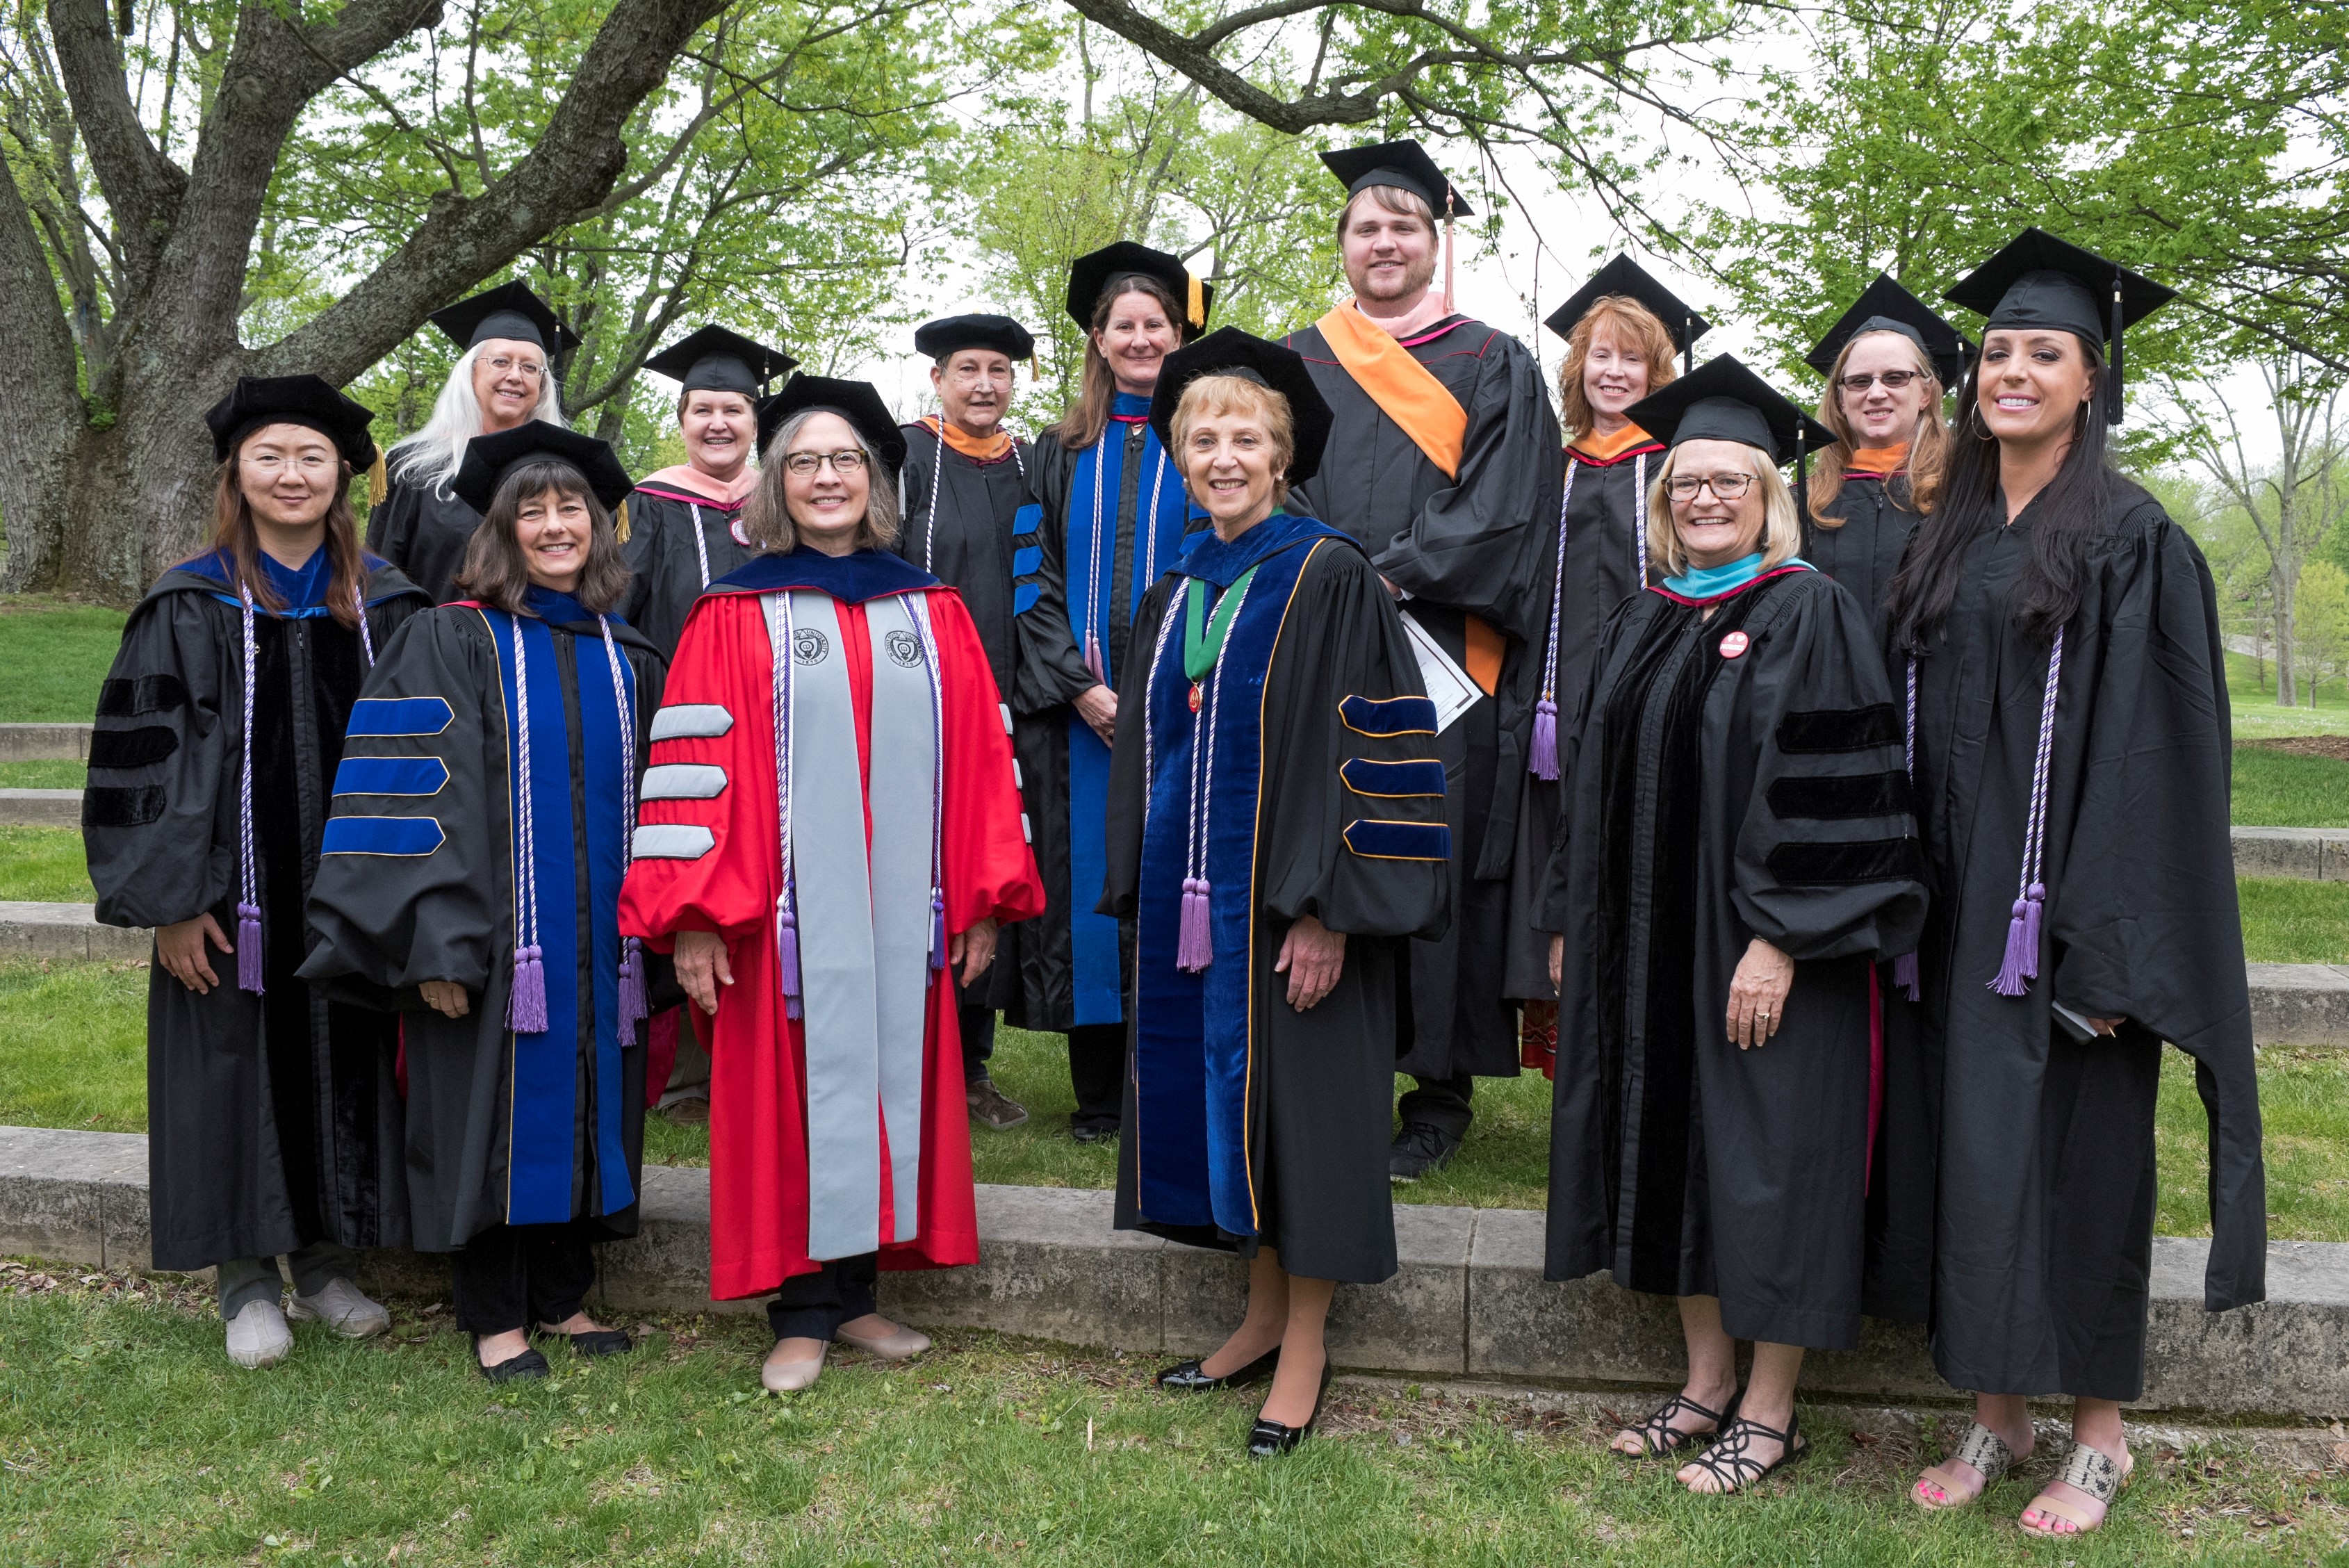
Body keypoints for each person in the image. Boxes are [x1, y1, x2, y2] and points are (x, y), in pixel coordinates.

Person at [1892, 229, 2265, 1537]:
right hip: (1954, 915)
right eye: (1995, 351)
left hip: (2058, 925)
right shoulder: (1948, 526)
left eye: (2042, 352)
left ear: (2092, 380)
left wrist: (2111, 956)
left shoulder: (2132, 536)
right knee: (1973, 1161)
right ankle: (1995, 1415)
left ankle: (2098, 1436)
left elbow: (2168, 756)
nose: (2011, 371)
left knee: (2086, 1167)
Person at [1539, 354, 1926, 1494]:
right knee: (1671, 1154)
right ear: (1661, 503)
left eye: (1730, 484)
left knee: (1766, 1161)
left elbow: (1838, 795)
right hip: (1642, 946)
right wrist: (1570, 918)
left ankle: (1771, 1406)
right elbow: (1592, 789)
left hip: (1758, 949)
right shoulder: (1640, 620)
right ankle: (1705, 1383)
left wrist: (1782, 940)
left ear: (1770, 496)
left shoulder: (1809, 611)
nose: (1706, 500)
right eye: (1687, 485)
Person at [620, 376, 1043, 1394]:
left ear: (874, 482)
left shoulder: (929, 609)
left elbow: (983, 758)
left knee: (892, 1089)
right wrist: (693, 921)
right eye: (803, 462)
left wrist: (983, 895)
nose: (825, 478)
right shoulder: (731, 613)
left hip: (908, 917)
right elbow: (693, 770)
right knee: (783, 1107)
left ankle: (855, 1296)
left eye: (845, 460)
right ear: (775, 483)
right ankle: (800, 1308)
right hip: (778, 925)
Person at [1106, 328, 1448, 1456]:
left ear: (1283, 452)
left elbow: (1371, 749)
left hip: (1298, 911)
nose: (1221, 453)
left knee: (1304, 1127)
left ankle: (1304, 1346)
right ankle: (1257, 1316)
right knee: (1235, 1116)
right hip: (1197, 912)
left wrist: (1326, 911)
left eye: (1245, 436)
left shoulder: (1330, 571)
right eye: (1201, 436)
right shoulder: (1177, 590)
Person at [301, 423, 662, 1382]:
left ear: (600, 525)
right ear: (500, 530)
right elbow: (413, 797)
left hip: (596, 950)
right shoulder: (451, 637)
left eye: (571, 508)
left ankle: (564, 1295)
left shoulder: (627, 655)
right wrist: (434, 948)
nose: (554, 526)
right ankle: (494, 1312)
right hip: (493, 947)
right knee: (486, 1119)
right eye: (532, 511)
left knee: (588, 1105)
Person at [86, 376, 429, 1369]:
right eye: (271, 455)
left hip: (348, 892)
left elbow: (425, 755)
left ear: (341, 478)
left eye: (312, 457)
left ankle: (323, 1265)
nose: (292, 474)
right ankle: (244, 1279)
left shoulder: (385, 606)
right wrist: (172, 902)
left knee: (341, 1058)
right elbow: (143, 764)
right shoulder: (189, 603)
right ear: (238, 471)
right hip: (228, 898)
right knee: (229, 1067)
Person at [1279, 139, 1563, 1179]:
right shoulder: (1292, 362)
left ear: (1434, 244)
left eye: (1405, 225)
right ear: (1344, 244)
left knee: (1427, 843)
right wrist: (1330, 581)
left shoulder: (1494, 362)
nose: (1385, 241)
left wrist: (1381, 577)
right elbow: (1267, 490)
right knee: (1328, 830)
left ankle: (1436, 1092)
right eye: (1367, 226)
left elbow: (1500, 513)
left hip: (1447, 653)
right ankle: (1331, 1058)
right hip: (1315, 640)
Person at [1797, 273, 1967, 1323]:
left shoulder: (1968, 497)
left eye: (1894, 376)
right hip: (1823, 784)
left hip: (1940, 776)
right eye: (1854, 379)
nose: (1873, 392)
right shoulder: (1804, 496)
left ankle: (1921, 1228)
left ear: (1929, 390)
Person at [1013, 243, 1211, 1143]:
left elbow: (1223, 565)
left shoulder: (1207, 439)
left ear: (1180, 333)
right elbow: (1033, 580)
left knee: (1181, 881)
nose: (1140, 337)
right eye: (1123, 325)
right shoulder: (1058, 453)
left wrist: (1187, 684)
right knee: (1093, 891)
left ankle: (1171, 1080)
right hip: (1084, 719)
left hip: (1188, 709)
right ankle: (1099, 1096)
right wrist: (1083, 689)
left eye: (1155, 324)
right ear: (1098, 339)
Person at [1510, 256, 1705, 1075]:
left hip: (1644, 696)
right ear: (1576, 367)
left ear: (1657, 372)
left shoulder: (1679, 470)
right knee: (1551, 858)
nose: (1615, 371)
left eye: (1633, 357)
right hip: (1549, 703)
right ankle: (1562, 1048)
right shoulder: (1547, 466)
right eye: (1600, 354)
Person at [619, 324, 796, 1129]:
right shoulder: (645, 504)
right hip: (678, 730)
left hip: (779, 729)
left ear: (756, 420)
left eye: (733, 409)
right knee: (689, 882)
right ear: (682, 418)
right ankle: (689, 1072)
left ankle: (771, 1054)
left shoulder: (786, 499)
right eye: (702, 410)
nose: (717, 423)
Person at [895, 313, 1042, 1132]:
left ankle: (971, 1064)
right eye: (967, 370)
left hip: (1010, 702)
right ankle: (909, 1052)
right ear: (938, 380)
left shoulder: (1029, 464)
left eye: (997, 370)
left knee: (981, 875)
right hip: (916, 693)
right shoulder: (906, 455)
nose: (984, 384)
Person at [371, 280, 576, 603]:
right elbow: (381, 579)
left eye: (529, 367)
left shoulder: (564, 474)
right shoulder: (413, 469)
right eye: (500, 362)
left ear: (543, 384)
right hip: (434, 646)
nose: (515, 375)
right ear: (469, 373)